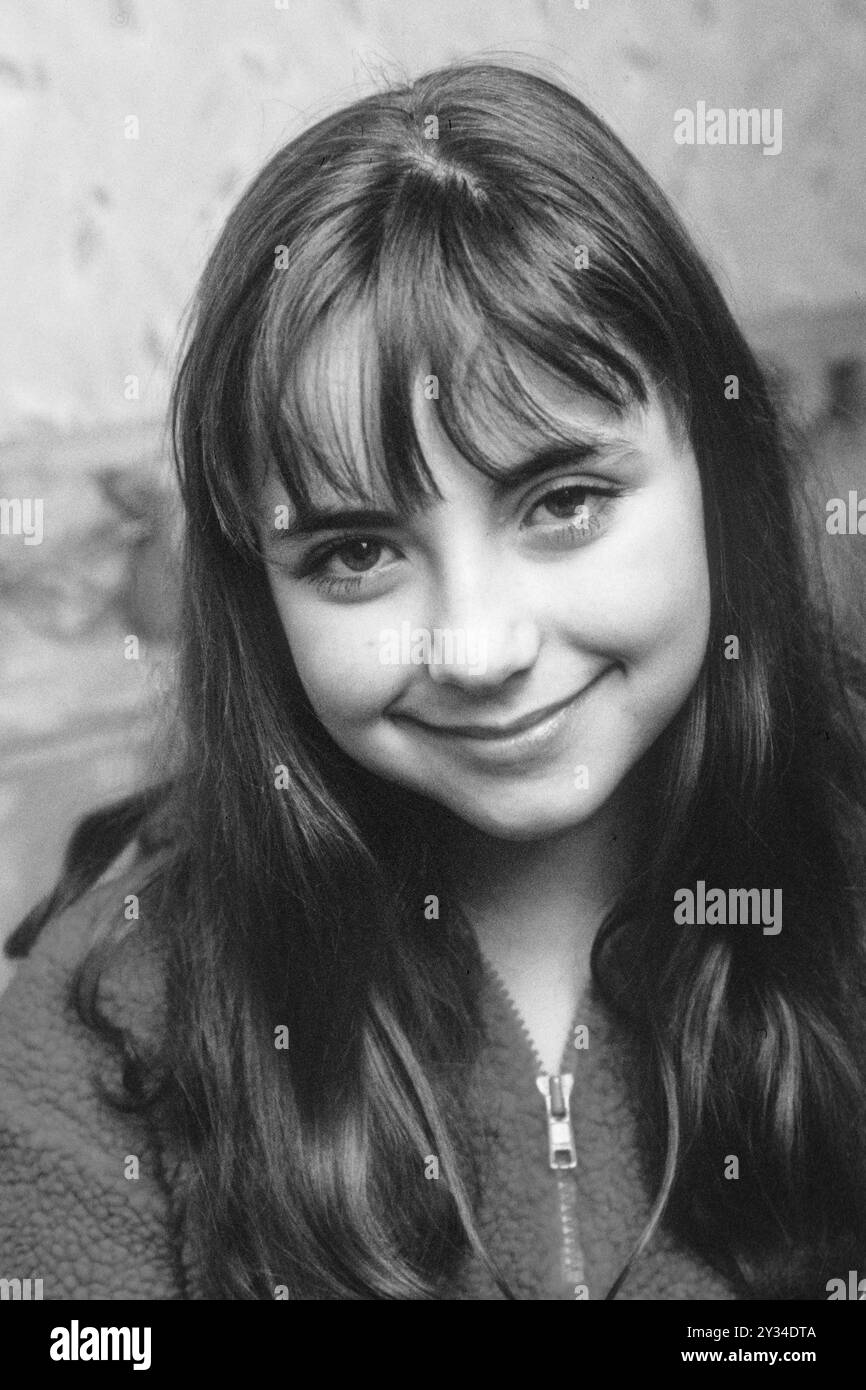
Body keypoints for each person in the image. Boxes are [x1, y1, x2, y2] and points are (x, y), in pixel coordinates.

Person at [3, 59, 866, 1302]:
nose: (475, 646)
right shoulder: (105, 1026)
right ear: (262, 596)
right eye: (354, 552)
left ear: (717, 480)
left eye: (562, 502)